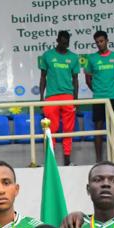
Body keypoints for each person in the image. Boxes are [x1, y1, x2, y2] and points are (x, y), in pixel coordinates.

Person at [39, 31, 81, 165]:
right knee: (51, 129)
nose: (64, 44)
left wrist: (76, 99)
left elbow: (75, 80)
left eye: (66, 42)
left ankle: (67, 160)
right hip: (51, 97)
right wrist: (41, 98)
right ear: (57, 40)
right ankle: (50, 160)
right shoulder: (47, 55)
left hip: (68, 96)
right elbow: (43, 77)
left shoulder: (74, 57)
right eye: (62, 41)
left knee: (68, 130)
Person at [84, 31, 114, 161]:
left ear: (107, 40)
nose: (99, 44)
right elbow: (88, 79)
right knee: (99, 128)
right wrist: (98, 90)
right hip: (99, 98)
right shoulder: (91, 59)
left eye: (102, 41)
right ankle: (99, 160)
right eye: (97, 42)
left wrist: (111, 89)